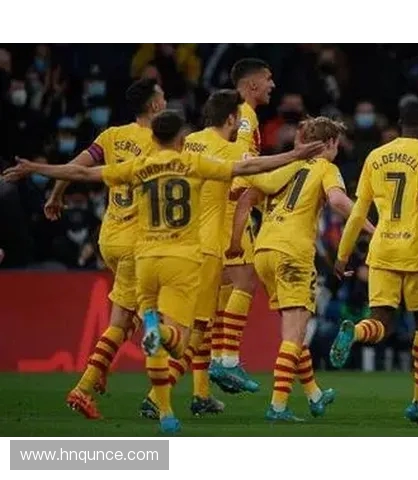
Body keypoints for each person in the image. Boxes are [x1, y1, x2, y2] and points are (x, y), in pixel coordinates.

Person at [3, 110, 324, 433]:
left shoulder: (139, 166)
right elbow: (247, 167)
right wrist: (295, 155)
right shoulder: (192, 164)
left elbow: (83, 173)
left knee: (145, 336)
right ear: (181, 138)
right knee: (179, 343)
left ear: (154, 137)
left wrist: (35, 168)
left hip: (144, 260)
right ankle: (163, 375)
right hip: (180, 262)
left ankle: (166, 410)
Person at [139, 90, 309, 418]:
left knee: (199, 326)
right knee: (195, 331)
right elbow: (262, 177)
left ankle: (196, 393)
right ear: (231, 119)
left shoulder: (188, 143)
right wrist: (298, 158)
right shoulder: (232, 151)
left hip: (176, 244)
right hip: (208, 249)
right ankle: (157, 396)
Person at [227, 116, 375, 421]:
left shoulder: (281, 167)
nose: (337, 150)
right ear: (329, 143)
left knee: (291, 331)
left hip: (265, 251)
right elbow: (338, 201)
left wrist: (235, 241)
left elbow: (247, 197)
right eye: (336, 144)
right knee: (295, 335)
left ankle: (314, 394)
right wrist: (373, 229)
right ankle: (278, 406)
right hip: (293, 253)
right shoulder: (325, 168)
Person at [328, 99, 418, 425]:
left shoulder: (375, 156)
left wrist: (342, 255)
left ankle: (355, 332)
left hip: (383, 250)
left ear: (400, 126)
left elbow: (358, 211)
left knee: (381, 322)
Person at [40, 78, 166, 419]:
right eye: (164, 97)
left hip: (109, 238)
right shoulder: (162, 141)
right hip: (139, 243)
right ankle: (86, 389)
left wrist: (56, 195)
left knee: (128, 316)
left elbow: (76, 166)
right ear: (155, 105)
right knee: (156, 320)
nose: (167, 102)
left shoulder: (111, 136)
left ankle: (101, 366)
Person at [210, 58, 275, 394]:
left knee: (225, 285)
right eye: (268, 79)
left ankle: (218, 358)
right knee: (247, 279)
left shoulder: (232, 115)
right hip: (233, 205)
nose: (272, 85)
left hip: (218, 207)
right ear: (252, 85)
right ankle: (229, 360)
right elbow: (240, 160)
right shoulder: (245, 116)